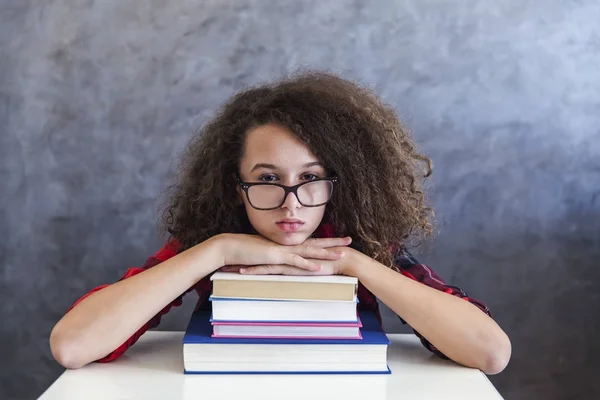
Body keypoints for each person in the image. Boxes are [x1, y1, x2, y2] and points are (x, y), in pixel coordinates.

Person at [49, 71, 511, 374]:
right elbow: (72, 347)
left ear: (337, 182)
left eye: (310, 178)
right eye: (268, 179)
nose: (292, 205)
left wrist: (355, 264)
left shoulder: (358, 237)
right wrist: (216, 252)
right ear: (236, 186)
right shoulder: (213, 235)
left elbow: (490, 354)